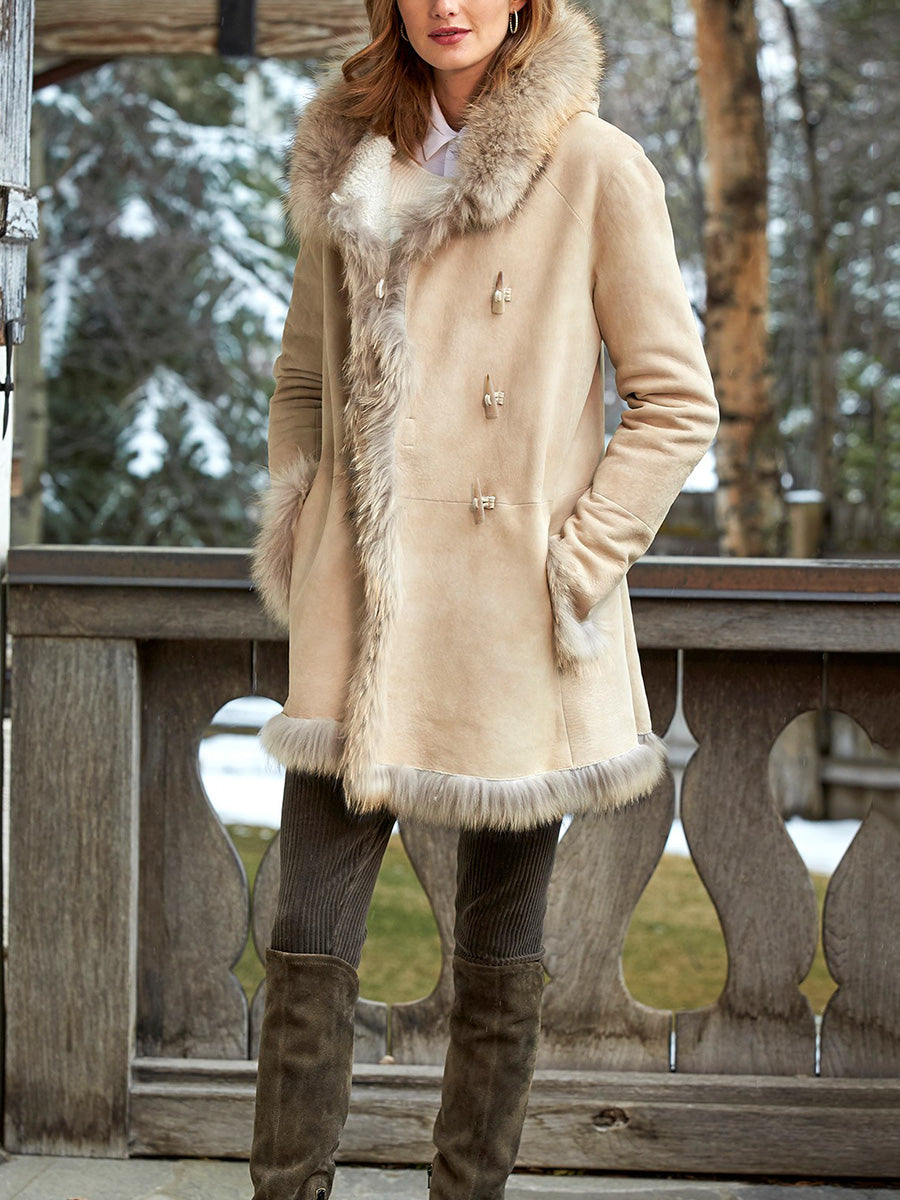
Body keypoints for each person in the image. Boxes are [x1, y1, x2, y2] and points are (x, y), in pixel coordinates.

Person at [248, 0, 719, 1195]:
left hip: (512, 618)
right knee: (305, 941)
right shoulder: (351, 154)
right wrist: (306, 528)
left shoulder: (595, 165)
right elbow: (301, 378)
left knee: (501, 952)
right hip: (359, 613)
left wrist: (576, 560)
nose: (446, 4)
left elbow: (676, 402)